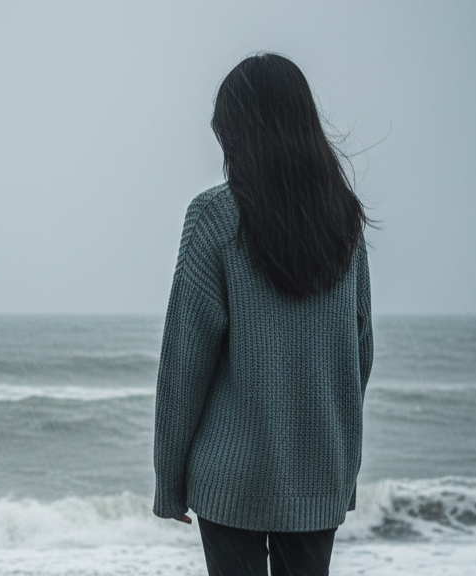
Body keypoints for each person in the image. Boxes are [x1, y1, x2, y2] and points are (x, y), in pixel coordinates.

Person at [152, 52, 374, 576]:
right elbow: (359, 353)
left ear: (238, 133)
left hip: (232, 478)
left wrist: (168, 483)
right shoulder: (344, 220)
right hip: (319, 474)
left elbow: (184, 365)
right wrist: (343, 467)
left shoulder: (215, 216)